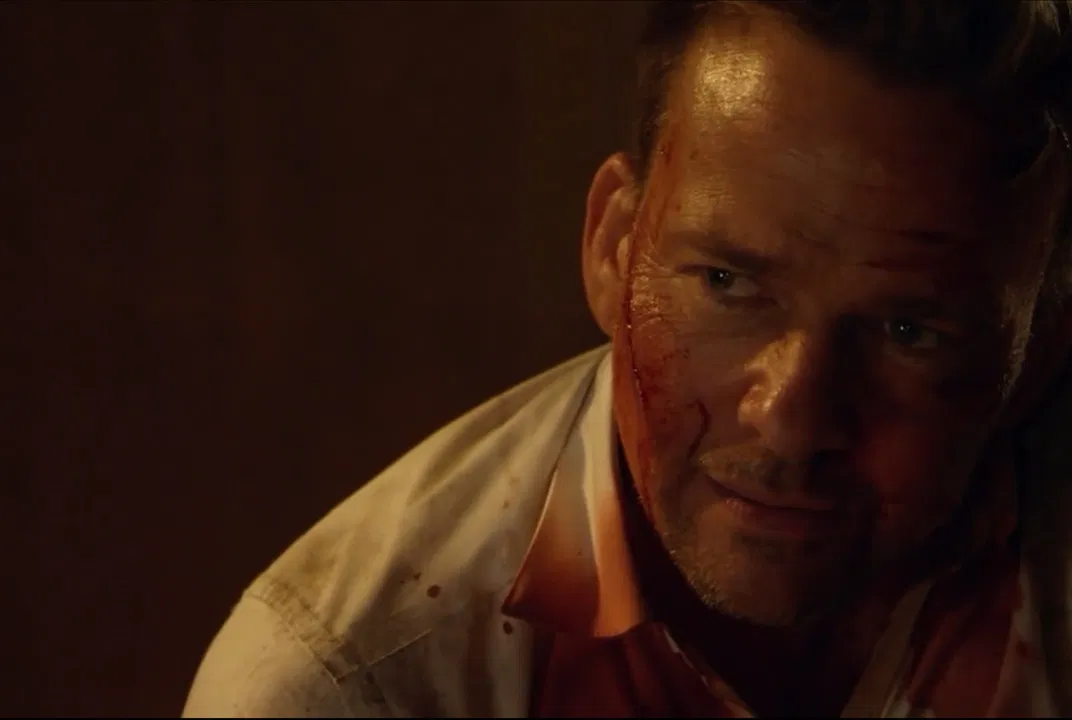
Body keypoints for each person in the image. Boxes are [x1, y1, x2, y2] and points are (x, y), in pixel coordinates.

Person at [184, 1, 1072, 716]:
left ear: (1046, 337)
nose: (790, 418)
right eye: (727, 283)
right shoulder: (353, 684)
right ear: (613, 245)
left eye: (907, 332)